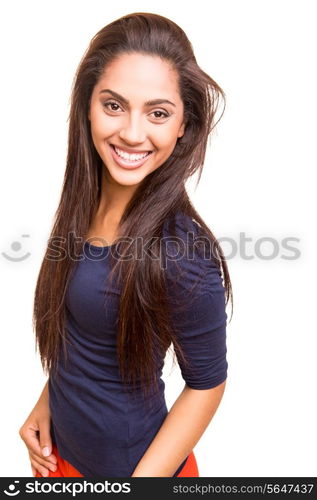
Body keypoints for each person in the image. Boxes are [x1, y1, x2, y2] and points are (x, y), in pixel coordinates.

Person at [19, 12, 233, 478]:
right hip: (60, 459)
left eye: (158, 112)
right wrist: (47, 403)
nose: (133, 133)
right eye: (114, 105)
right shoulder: (84, 204)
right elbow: (85, 328)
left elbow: (207, 385)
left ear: (183, 125)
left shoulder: (183, 253)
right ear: (87, 107)